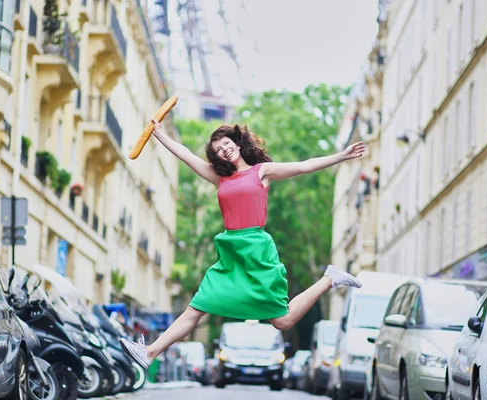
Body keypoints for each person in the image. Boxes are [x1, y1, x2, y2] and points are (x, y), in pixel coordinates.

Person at [120, 121, 366, 369]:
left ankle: (329, 279)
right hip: (230, 253)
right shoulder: (220, 178)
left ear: (237, 144)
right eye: (218, 149)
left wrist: (342, 156)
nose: (224, 150)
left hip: (256, 250)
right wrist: (159, 134)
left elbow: (303, 166)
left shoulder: (261, 172)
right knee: (196, 308)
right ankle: (149, 353)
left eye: (226, 144)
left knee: (282, 321)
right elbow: (186, 155)